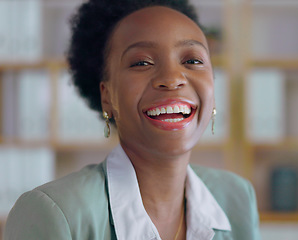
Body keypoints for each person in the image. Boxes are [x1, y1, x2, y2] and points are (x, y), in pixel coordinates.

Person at [4, 0, 260, 239]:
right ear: (107, 97)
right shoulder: (54, 214)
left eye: (192, 60)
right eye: (141, 62)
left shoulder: (236, 196)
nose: (172, 79)